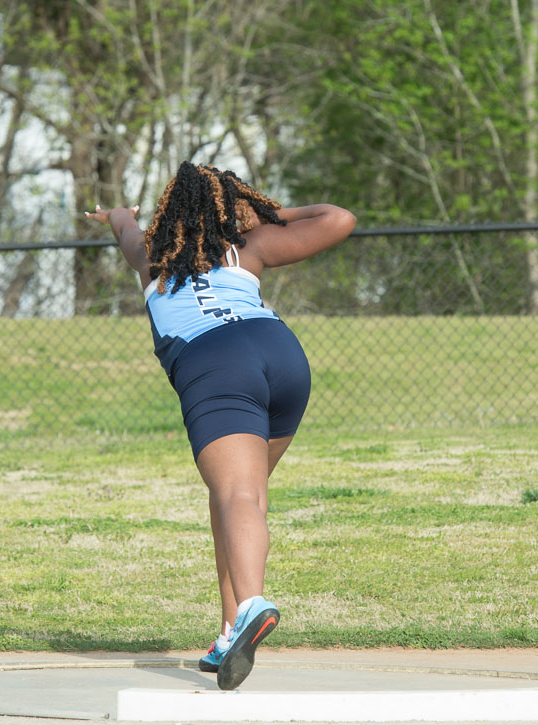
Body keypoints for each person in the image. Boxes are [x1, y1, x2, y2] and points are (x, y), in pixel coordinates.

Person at [86, 161, 355, 690]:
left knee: (238, 494)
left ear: (169, 211)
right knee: (237, 497)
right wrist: (266, 211)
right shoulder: (246, 249)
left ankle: (253, 603)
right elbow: (338, 217)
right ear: (232, 208)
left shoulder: (149, 257)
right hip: (281, 355)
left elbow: (121, 223)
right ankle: (232, 627)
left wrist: (118, 214)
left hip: (216, 363)